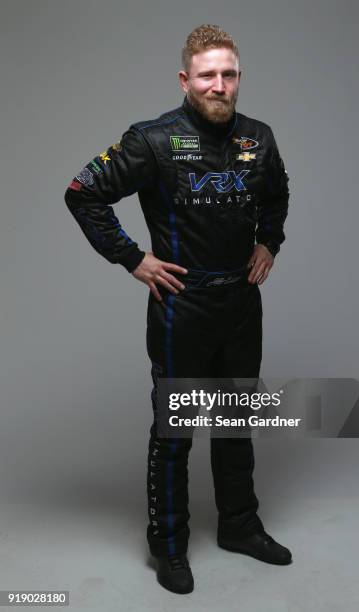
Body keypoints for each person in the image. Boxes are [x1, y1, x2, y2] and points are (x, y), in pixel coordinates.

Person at [64, 24, 292, 595]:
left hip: (241, 302)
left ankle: (239, 525)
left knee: (238, 421)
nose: (220, 85)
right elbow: (82, 192)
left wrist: (270, 241)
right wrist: (132, 259)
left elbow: (278, 192)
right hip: (180, 307)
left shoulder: (259, 138)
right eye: (208, 75)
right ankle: (168, 545)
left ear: (240, 77)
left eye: (229, 74)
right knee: (177, 429)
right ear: (186, 79)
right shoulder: (153, 139)